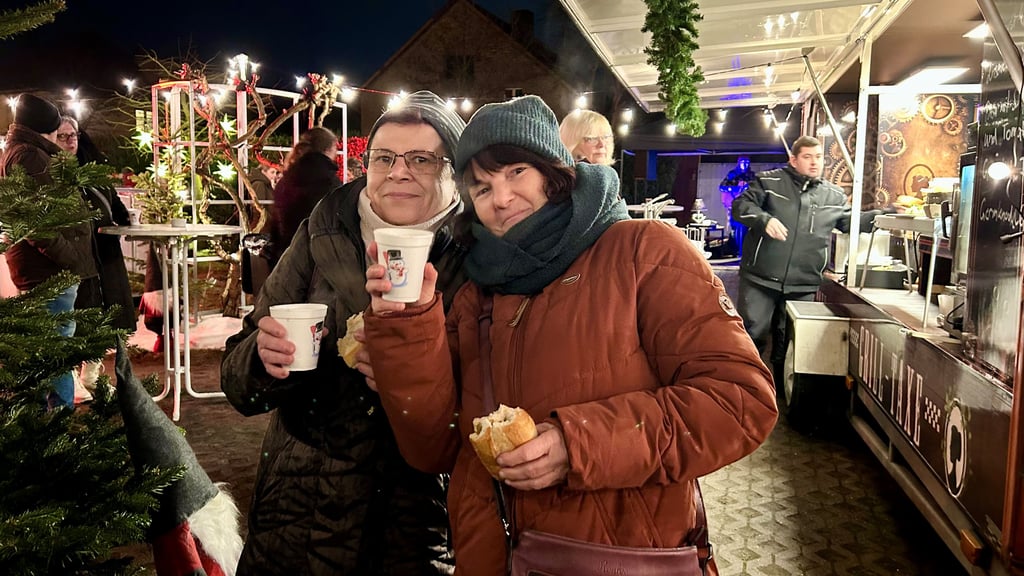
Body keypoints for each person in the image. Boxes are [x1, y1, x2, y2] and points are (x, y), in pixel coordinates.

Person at [362, 95, 777, 575]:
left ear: (554, 172)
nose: (500, 198)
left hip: (618, 558)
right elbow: (433, 446)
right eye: (480, 187)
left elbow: (741, 403)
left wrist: (578, 445)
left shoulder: (644, 253)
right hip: (494, 559)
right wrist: (407, 325)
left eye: (516, 172)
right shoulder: (479, 295)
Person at [220, 90, 469, 575]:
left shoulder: (477, 251)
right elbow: (237, 377)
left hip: (418, 521)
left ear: (452, 171)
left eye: (422, 158)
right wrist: (263, 359)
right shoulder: (323, 229)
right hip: (301, 512)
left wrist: (419, 377)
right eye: (384, 157)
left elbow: (498, 393)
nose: (399, 171)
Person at [731, 135, 871, 390]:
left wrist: (883, 216)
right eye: (807, 157)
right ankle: (743, 388)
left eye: (818, 157)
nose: (814, 162)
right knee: (752, 335)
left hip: (803, 283)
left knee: (789, 342)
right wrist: (764, 220)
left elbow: (850, 222)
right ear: (793, 160)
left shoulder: (834, 195)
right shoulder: (769, 182)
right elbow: (740, 206)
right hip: (760, 279)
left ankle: (781, 394)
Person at [0, 95, 98, 409]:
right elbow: (37, 221)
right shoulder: (30, 156)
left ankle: (46, 419)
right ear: (47, 127)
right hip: (49, 271)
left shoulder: (26, 153)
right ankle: (55, 422)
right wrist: (69, 257)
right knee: (56, 351)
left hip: (46, 268)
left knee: (49, 348)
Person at [54, 116, 136, 399]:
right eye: (63, 136)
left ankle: (92, 372)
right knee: (81, 313)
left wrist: (122, 220)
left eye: (73, 135)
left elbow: (112, 202)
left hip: (105, 252)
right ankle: (74, 377)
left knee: (107, 313)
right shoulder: (52, 173)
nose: (70, 141)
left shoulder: (91, 171)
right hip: (78, 257)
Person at [263, 128, 341, 271]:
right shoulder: (329, 182)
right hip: (318, 266)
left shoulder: (285, 180)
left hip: (285, 261)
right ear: (329, 149)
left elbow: (276, 225)